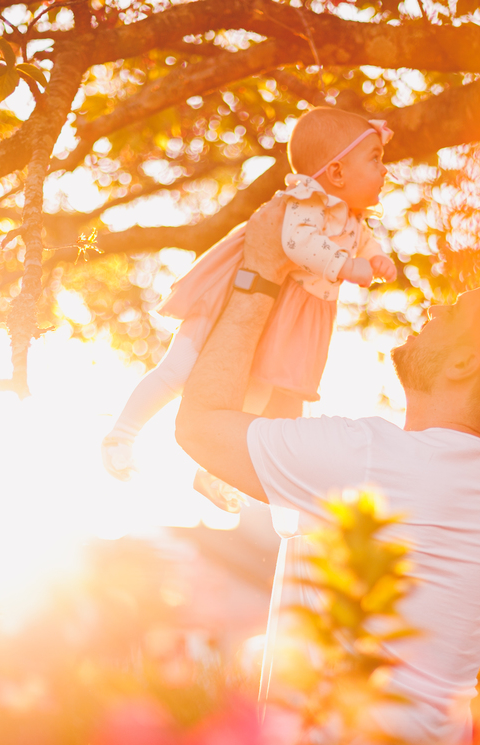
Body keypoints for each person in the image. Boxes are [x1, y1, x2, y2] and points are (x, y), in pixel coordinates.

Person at [173, 200, 480, 745]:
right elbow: (274, 447)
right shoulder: (463, 481)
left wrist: (259, 272)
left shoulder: (377, 460)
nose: (435, 310)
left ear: (463, 361)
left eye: (453, 313)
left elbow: (199, 426)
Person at [101, 107, 398, 511]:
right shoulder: (305, 201)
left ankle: (214, 470)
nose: (385, 170)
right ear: (337, 173)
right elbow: (297, 243)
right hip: (232, 295)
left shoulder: (354, 220)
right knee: (179, 370)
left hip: (280, 315)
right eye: (375, 159)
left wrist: (377, 258)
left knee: (256, 389)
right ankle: (122, 435)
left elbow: (364, 244)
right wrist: (346, 266)